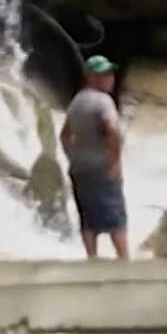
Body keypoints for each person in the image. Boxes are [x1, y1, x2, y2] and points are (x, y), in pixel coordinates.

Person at [60, 55, 131, 260]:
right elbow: (111, 129)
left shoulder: (77, 101)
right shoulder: (104, 101)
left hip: (80, 168)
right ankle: (124, 259)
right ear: (91, 76)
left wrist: (72, 156)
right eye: (103, 75)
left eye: (110, 74)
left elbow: (64, 135)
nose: (110, 78)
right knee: (116, 215)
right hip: (102, 167)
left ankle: (92, 257)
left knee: (88, 216)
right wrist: (115, 160)